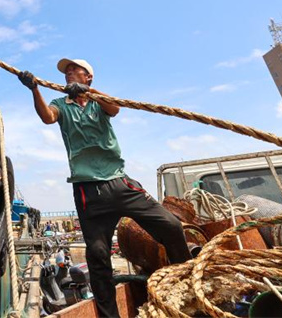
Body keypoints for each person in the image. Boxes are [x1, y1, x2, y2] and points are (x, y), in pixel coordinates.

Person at [19, 58, 191, 318]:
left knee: (171, 225)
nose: (68, 74)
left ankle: (187, 283)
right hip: (88, 192)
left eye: (74, 70)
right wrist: (34, 89)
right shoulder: (61, 104)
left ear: (88, 77)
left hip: (118, 182)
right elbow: (47, 117)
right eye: (66, 72)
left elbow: (115, 108)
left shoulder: (99, 102)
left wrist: (89, 93)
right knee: (98, 254)